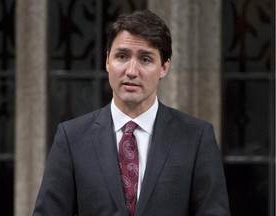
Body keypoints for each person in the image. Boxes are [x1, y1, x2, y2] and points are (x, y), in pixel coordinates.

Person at [33, 10, 230, 216]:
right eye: (122, 56)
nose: (131, 71)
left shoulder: (196, 137)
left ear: (164, 67)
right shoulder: (72, 138)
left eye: (145, 59)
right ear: (108, 61)